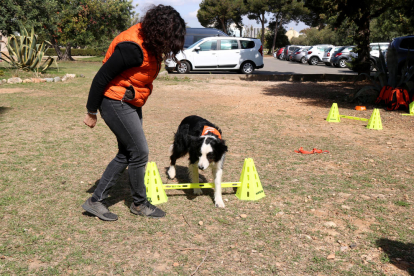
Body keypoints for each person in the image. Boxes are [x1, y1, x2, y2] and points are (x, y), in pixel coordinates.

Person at [81, 5, 186, 221]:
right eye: (170, 38)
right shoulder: (132, 47)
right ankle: (138, 204)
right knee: (139, 151)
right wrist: (91, 111)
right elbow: (100, 78)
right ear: (159, 31)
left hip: (129, 100)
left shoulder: (150, 43)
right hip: (114, 101)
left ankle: (96, 201)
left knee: (128, 152)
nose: (170, 45)